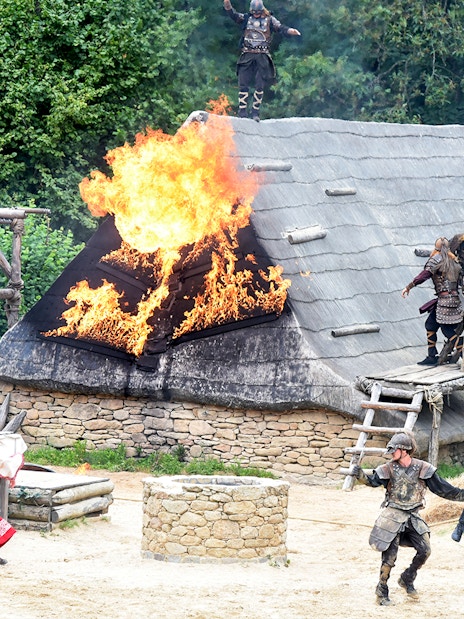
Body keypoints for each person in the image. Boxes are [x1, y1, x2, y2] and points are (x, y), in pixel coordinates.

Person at [352, 432, 464, 606]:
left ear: (404, 450)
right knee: (389, 558)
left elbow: (444, 489)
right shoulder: (388, 468)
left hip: (412, 516)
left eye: (394, 450)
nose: (391, 453)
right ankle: (381, 591)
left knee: (425, 550)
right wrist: (360, 475)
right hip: (392, 515)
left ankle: (407, 578)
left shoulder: (422, 468)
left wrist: (462, 496)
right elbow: (373, 480)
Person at [223, 0, 301, 121]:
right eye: (254, 12)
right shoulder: (246, 18)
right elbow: (234, 15)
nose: (256, 15)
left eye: (258, 12)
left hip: (262, 56)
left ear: (262, 10)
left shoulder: (270, 20)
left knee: (259, 85)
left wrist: (291, 31)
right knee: (243, 84)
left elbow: (280, 28)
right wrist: (227, 5)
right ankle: (242, 112)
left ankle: (255, 113)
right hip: (247, 54)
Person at [401, 237, 463, 365]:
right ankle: (432, 355)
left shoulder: (436, 260)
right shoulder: (455, 262)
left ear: (437, 249)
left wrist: (408, 287)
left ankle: (461, 348)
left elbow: (424, 275)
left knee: (447, 330)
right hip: (454, 301)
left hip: (444, 302)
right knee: (431, 324)